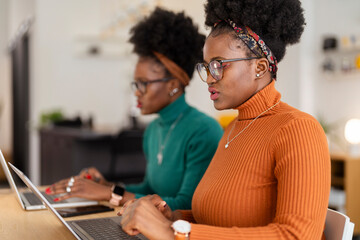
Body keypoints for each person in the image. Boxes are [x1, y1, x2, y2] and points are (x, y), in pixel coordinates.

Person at [118, 0, 331, 239]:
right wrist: (174, 217)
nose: (209, 78)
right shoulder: (233, 129)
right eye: (206, 67)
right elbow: (219, 217)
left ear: (260, 67)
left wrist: (177, 234)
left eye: (218, 65)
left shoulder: (297, 129)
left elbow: (296, 235)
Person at [46, 7, 223, 210]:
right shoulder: (154, 130)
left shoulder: (204, 131)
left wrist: (109, 194)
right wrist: (108, 186)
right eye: (135, 84)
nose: (137, 92)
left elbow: (186, 205)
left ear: (173, 84)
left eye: (143, 83)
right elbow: (149, 189)